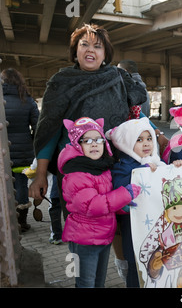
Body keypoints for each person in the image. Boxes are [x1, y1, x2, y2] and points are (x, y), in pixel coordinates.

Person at [28, 24, 148, 214]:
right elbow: (49, 130)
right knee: (82, 226)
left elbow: (133, 115)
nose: (90, 50)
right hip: (76, 171)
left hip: (114, 164)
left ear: (105, 55)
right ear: (76, 51)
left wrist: (156, 132)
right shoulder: (61, 82)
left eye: (97, 46)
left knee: (117, 219)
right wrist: (41, 174)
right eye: (84, 44)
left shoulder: (118, 79)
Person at [57, 117, 141, 288]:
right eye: (87, 140)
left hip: (102, 236)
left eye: (98, 139)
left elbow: (107, 200)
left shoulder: (101, 168)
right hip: (84, 239)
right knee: (86, 283)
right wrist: (125, 194)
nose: (94, 144)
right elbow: (92, 205)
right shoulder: (77, 173)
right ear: (77, 145)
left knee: (98, 282)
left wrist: (121, 206)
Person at [106, 117, 165, 287]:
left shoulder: (158, 163)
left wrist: (175, 167)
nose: (146, 143)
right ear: (126, 143)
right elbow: (120, 190)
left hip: (156, 228)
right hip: (133, 228)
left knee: (158, 265)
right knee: (137, 265)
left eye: (149, 139)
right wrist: (144, 174)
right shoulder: (122, 167)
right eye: (139, 140)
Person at [2, 68, 40, 232]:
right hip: (24, 150)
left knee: (3, 184)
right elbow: (38, 127)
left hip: (3, 151)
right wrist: (30, 141)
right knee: (22, 183)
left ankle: (6, 222)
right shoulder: (27, 100)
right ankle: (22, 222)